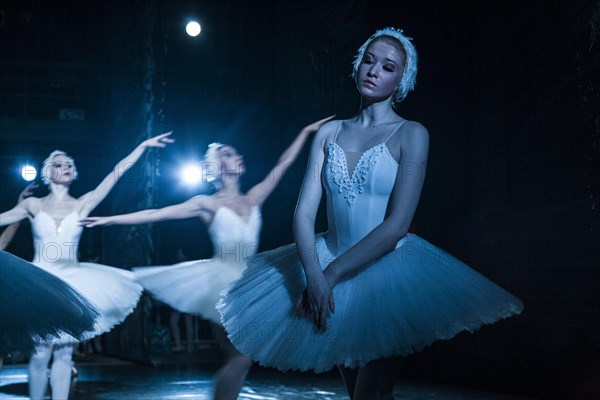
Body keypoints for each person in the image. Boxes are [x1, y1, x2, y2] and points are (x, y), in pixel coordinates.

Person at [217, 27, 524, 399]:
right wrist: (314, 276)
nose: (374, 70)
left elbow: (396, 225)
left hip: (387, 274)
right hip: (326, 267)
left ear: (402, 80)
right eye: (369, 60)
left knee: (369, 396)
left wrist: (329, 275)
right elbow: (302, 214)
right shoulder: (328, 133)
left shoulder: (412, 134)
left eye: (388, 66)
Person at [81, 116, 333, 400]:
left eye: (235, 152)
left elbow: (282, 166)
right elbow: (155, 214)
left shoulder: (253, 198)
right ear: (216, 166)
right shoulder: (206, 204)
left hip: (250, 282)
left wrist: (304, 131)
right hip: (219, 284)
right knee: (240, 359)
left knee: (243, 358)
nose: (236, 155)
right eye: (227, 153)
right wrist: (108, 221)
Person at [0, 132, 173, 400]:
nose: (65, 167)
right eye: (58, 164)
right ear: (48, 172)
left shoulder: (83, 203)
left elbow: (116, 174)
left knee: (64, 353)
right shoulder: (33, 204)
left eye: (69, 164)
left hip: (72, 283)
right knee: (39, 355)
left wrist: (142, 146)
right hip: (38, 284)